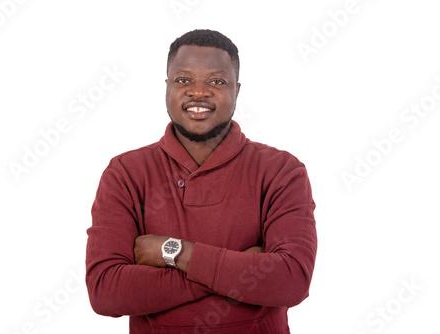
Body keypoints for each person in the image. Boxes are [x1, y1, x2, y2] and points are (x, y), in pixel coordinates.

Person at [86, 29, 317, 334]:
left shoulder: (281, 171)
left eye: (216, 81)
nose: (198, 92)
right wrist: (234, 272)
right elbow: (106, 291)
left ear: (237, 90)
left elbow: (291, 281)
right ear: (167, 86)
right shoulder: (126, 173)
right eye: (183, 80)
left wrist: (174, 253)